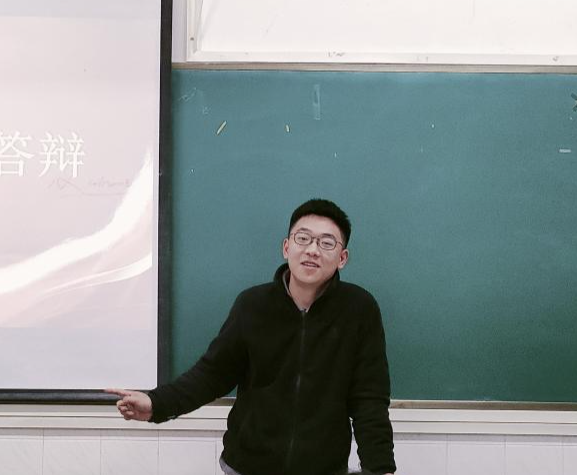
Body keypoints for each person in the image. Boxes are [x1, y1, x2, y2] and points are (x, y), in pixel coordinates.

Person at [107, 199, 395, 475]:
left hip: (324, 469)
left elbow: (369, 399)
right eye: (303, 238)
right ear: (286, 247)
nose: (312, 250)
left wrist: (381, 467)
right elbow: (211, 375)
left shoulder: (359, 310)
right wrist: (156, 404)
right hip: (247, 466)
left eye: (326, 243)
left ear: (342, 258)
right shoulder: (253, 305)